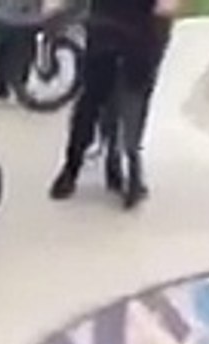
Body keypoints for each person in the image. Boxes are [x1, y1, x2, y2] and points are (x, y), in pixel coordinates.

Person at [48, 0, 180, 207]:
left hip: (147, 22)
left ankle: (129, 161)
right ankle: (73, 166)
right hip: (107, 17)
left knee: (135, 93)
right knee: (93, 94)